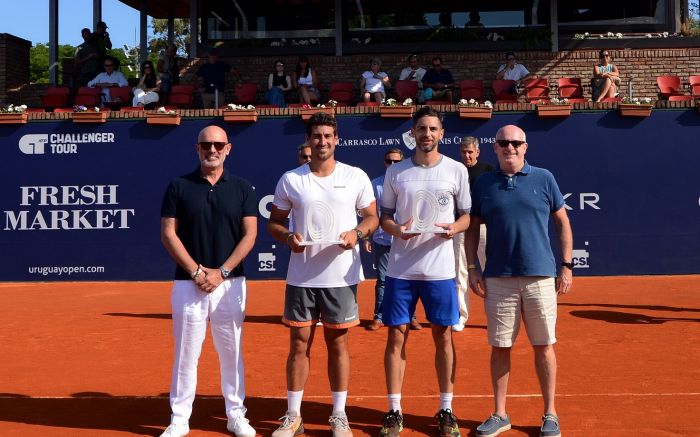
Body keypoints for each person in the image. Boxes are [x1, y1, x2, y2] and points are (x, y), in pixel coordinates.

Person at [268, 112, 378, 437]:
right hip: (302, 276)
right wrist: (288, 238)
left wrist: (357, 234)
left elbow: (371, 217)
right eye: (317, 136)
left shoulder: (356, 176)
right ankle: (292, 416)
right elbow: (275, 223)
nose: (323, 141)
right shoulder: (291, 179)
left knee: (338, 343)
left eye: (328, 136)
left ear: (337, 139)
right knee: (299, 343)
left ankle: (339, 415)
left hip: (341, 277)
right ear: (308, 140)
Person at [466, 125, 573, 437]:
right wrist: (473, 267)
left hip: (540, 275)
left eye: (515, 143)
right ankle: (500, 413)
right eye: (503, 143)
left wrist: (566, 265)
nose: (509, 147)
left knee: (544, 346)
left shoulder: (544, 178)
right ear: (495, 148)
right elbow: (472, 227)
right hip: (498, 277)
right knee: (500, 347)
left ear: (525, 147)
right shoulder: (484, 183)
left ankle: (550, 413)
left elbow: (562, 221)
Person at [159, 125, 258, 437]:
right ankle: (179, 419)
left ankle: (236, 415)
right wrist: (197, 272)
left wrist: (222, 272)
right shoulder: (178, 186)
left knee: (232, 353)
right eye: (206, 145)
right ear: (197, 149)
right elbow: (168, 233)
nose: (211, 150)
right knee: (186, 353)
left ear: (228, 148)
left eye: (218, 145)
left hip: (230, 284)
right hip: (189, 285)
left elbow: (250, 234)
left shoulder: (242, 188)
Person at [379, 106, 471, 437]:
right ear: (413, 133)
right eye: (421, 128)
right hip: (401, 269)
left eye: (433, 129)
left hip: (440, 270)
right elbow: (385, 216)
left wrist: (453, 229)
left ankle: (446, 408)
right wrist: (396, 231)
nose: (427, 134)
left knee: (443, 336)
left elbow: (466, 216)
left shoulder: (457, 170)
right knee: (395, 335)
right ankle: (394, 410)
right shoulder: (397, 172)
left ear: (442, 134)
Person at [365, 149, 422, 332]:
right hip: (383, 239)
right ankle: (379, 316)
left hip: (407, 241)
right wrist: (367, 235)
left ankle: (410, 316)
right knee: (382, 281)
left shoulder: (412, 183)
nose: (392, 165)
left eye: (396, 162)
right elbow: (370, 215)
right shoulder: (376, 185)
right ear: (384, 163)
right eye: (389, 161)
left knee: (409, 280)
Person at [452, 137, 493, 333]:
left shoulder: (488, 171)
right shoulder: (454, 171)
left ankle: (494, 316)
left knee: (490, 273)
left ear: (477, 152)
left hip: (484, 227)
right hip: (460, 228)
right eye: (463, 152)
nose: (466, 156)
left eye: (470, 152)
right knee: (460, 274)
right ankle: (461, 316)